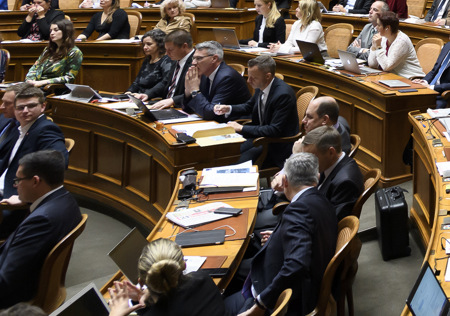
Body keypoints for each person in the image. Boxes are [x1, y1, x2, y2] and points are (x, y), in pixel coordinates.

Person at [226, 153, 338, 316]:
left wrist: (261, 304)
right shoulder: (323, 200)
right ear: (318, 177)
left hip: (279, 298)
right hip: (300, 282)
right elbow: (310, 235)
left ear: (285, 181)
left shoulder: (298, 210)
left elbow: (296, 265)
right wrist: (279, 236)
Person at [0, 150, 82, 308]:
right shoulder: (66, 201)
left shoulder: (41, 221)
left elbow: (6, 282)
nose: (14, 185)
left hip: (14, 297)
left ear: (36, 181)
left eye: (18, 180)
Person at [106, 236, 227, 316]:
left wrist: (115, 314)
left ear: (141, 283)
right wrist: (144, 300)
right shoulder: (203, 279)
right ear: (184, 266)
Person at [215, 54, 300, 169]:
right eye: (248, 76)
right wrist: (229, 108)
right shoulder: (261, 86)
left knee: (235, 165)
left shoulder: (283, 95)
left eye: (253, 78)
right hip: (259, 138)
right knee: (225, 154)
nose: (249, 81)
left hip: (275, 146)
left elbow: (274, 130)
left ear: (268, 76)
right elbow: (249, 106)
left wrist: (241, 128)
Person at [0, 86, 67, 200]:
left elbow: (58, 163)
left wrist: (25, 197)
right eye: (20, 107)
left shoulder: (46, 129)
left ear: (43, 106)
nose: (25, 111)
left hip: (13, 194)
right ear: (14, 110)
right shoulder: (20, 126)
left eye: (31, 106)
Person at [182, 40, 252, 121]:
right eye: (193, 58)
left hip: (233, 124)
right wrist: (188, 90)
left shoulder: (227, 77)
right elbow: (187, 108)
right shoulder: (205, 73)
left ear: (214, 58)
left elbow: (211, 114)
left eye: (199, 58)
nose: (193, 63)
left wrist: (194, 90)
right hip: (213, 121)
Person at [370, 5, 423, 78]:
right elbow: (372, 64)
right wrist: (374, 46)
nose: (376, 27)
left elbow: (386, 67)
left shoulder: (402, 41)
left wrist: (378, 47)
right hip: (393, 77)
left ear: (387, 28)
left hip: (411, 79)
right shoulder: (383, 37)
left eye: (379, 25)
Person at [25, 19, 81, 88]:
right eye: (51, 30)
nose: (52, 33)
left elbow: (69, 77)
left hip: (52, 88)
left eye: (56, 30)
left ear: (66, 32)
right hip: (35, 85)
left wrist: (42, 82)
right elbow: (35, 67)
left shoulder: (74, 52)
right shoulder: (48, 50)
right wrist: (30, 80)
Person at [128, 30, 174, 98]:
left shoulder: (167, 61)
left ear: (159, 45)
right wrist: (129, 92)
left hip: (153, 98)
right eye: (144, 45)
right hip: (139, 97)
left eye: (149, 44)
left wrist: (147, 94)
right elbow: (137, 82)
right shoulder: (147, 61)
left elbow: (164, 84)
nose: (145, 47)